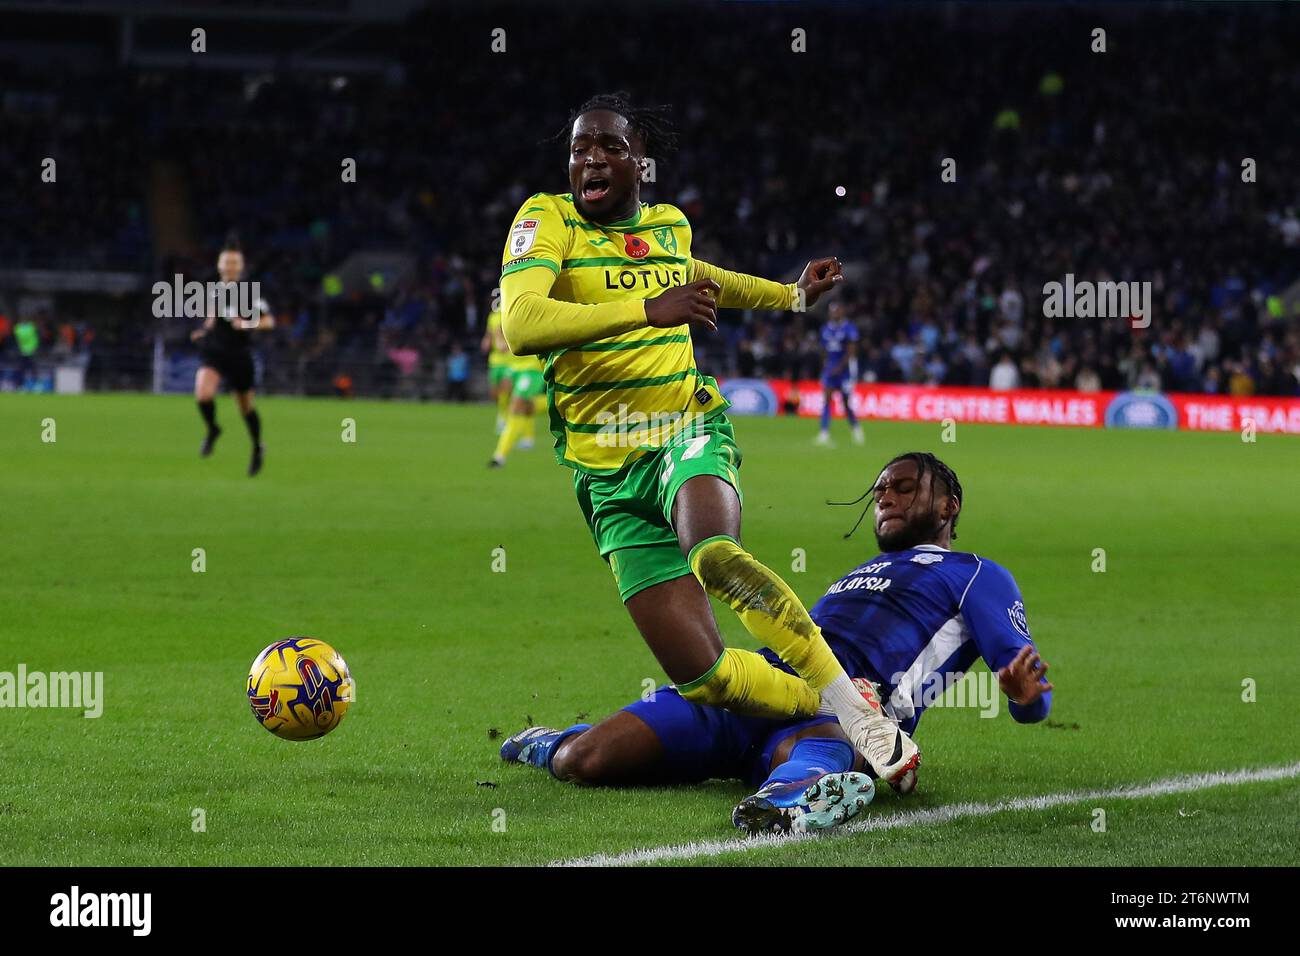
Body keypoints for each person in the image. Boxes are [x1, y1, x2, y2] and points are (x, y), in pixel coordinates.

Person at [497, 92, 918, 789]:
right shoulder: (548, 219)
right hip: (606, 475)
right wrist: (646, 312)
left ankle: (859, 717)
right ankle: (835, 700)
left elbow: (699, 278)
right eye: (579, 148)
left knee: (715, 553)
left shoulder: (670, 225)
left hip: (683, 429)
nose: (591, 158)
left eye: (609, 146)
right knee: (710, 678)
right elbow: (522, 321)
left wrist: (790, 297)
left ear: (640, 164)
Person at [501, 452, 1053, 834]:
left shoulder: (977, 574)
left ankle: (797, 794)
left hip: (850, 713)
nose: (886, 497)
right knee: (585, 761)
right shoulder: (865, 569)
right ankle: (562, 740)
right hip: (760, 687)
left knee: (819, 748)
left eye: (904, 487)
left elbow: (1031, 692)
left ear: (950, 505)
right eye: (881, 489)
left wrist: (1025, 697)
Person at [190, 237, 274, 476]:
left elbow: (269, 321)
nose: (230, 266)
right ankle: (213, 429)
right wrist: (204, 331)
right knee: (203, 395)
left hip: (239, 355)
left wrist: (247, 324)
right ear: (219, 264)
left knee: (246, 408)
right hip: (215, 352)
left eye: (234, 262)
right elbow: (213, 316)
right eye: (226, 262)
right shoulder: (212, 288)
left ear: (241, 265)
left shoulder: (250, 292)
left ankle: (257, 447)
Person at [815, 301, 863, 446]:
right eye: (832, 311)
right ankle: (824, 433)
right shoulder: (825, 329)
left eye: (836, 310)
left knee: (846, 403)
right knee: (827, 400)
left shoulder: (849, 328)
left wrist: (841, 368)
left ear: (841, 312)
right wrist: (826, 366)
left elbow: (851, 351)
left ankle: (856, 429)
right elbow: (823, 351)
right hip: (830, 371)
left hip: (844, 372)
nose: (834, 313)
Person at [480, 307, 513, 432]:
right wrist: (486, 341)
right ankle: (502, 414)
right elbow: (489, 333)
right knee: (495, 392)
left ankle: (504, 418)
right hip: (495, 361)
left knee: (506, 389)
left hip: (509, 360)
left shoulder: (511, 314)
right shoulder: (493, 316)